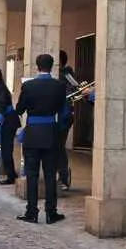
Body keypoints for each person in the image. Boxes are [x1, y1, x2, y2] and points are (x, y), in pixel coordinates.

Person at [14, 54, 68, 224]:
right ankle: (51, 212)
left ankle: (31, 211)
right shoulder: (59, 86)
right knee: (51, 174)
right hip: (51, 132)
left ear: (37, 67)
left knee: (32, 174)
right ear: (52, 67)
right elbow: (64, 112)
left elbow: (19, 109)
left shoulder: (28, 85)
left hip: (32, 133)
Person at [57, 50, 75, 190]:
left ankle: (63, 178)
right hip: (52, 116)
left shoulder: (67, 73)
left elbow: (74, 88)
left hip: (63, 117)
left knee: (59, 148)